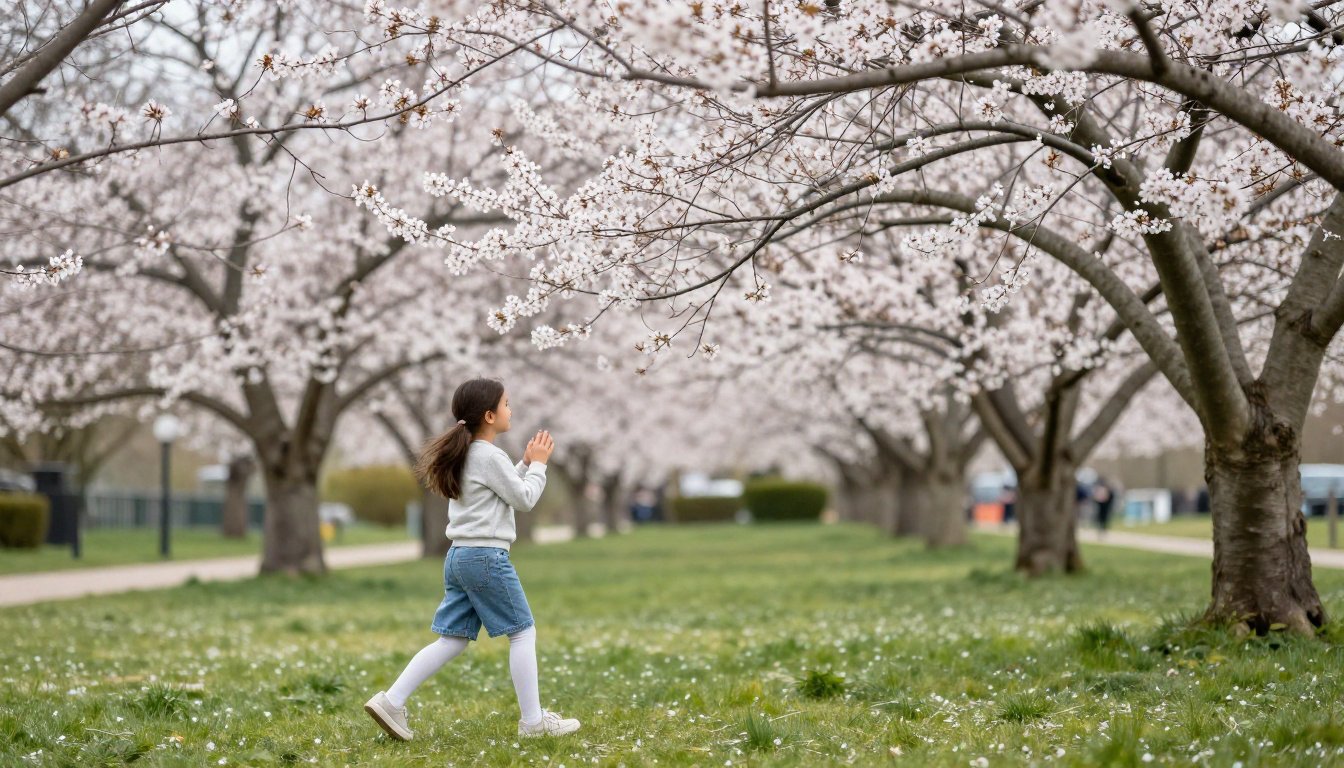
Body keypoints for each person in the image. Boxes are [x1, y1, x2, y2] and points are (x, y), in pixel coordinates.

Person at [363, 377, 581, 741]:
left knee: (451, 640)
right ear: (490, 415)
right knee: (523, 632)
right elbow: (523, 499)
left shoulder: (468, 454)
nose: (512, 410)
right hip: (486, 558)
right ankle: (533, 722)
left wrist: (525, 464)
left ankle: (392, 701)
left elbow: (500, 490)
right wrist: (540, 466)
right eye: (507, 404)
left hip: (460, 557)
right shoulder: (488, 455)